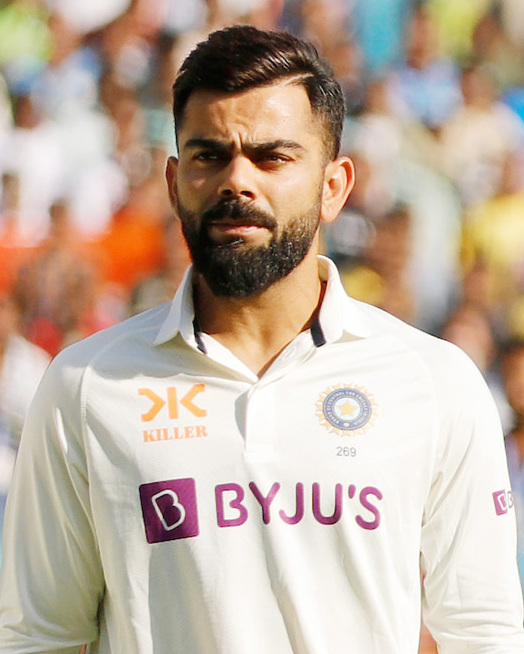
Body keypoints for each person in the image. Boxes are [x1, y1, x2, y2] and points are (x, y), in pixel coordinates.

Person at [0, 24, 522, 654]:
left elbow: (485, 635)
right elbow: (37, 638)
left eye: (272, 157)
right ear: (173, 183)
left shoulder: (435, 380)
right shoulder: (85, 386)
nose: (236, 181)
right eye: (209, 155)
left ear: (334, 187)